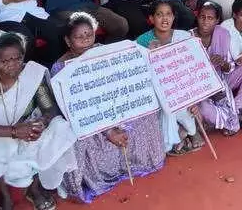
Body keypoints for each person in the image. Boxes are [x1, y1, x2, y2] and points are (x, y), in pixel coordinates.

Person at [50, 13, 164, 202]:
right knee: (79, 137)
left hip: (112, 108)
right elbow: (76, 110)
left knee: (146, 112)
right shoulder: (61, 68)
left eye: (89, 35)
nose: (86, 42)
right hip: (86, 119)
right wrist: (108, 131)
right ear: (68, 41)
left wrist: (147, 52)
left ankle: (136, 162)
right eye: (79, 37)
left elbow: (126, 73)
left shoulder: (102, 51)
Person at [0, 33, 77, 210]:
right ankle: (4, 193)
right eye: (4, 61)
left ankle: (34, 188)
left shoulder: (32, 74)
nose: (12, 65)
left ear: (23, 56)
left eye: (17, 58)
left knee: (62, 126)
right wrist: (14, 131)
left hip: (30, 128)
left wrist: (41, 123)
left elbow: (49, 108)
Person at [136, 0, 207, 155]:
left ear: (174, 17)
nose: (164, 19)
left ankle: (189, 131)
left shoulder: (183, 36)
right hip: (156, 89)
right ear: (151, 19)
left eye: (168, 14)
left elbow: (193, 68)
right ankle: (180, 135)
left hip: (182, 87)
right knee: (165, 103)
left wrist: (193, 97)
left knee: (181, 102)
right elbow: (138, 70)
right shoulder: (142, 41)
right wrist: (149, 54)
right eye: (159, 15)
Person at [191, 2, 242, 133]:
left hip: (222, 80)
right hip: (200, 89)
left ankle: (237, 110)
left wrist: (223, 64)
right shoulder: (188, 37)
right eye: (202, 17)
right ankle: (234, 119)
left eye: (210, 18)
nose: (205, 21)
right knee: (204, 109)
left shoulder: (222, 34)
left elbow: (230, 67)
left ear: (217, 20)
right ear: (197, 17)